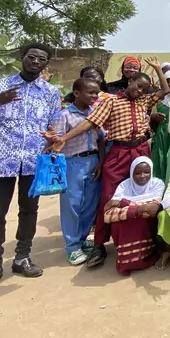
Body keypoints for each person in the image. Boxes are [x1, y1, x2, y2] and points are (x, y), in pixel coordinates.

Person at [49, 59, 169, 268]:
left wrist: (158, 69)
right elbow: (90, 122)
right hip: (119, 152)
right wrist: (64, 138)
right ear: (129, 81)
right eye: (137, 86)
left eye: (144, 88)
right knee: (108, 196)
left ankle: (147, 239)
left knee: (145, 192)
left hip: (141, 150)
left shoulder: (144, 101)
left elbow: (165, 90)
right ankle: (99, 244)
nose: (140, 91)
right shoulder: (111, 101)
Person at [0, 43, 61, 295]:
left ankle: (22, 258)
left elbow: (54, 126)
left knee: (29, 211)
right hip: (0, 161)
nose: (35, 62)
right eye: (31, 57)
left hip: (33, 161)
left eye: (41, 59)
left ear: (46, 64)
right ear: (22, 58)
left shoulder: (50, 93)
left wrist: (53, 136)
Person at [49, 78, 107, 265]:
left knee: (90, 204)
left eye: (97, 93)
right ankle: (72, 246)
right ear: (76, 93)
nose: (95, 96)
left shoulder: (95, 114)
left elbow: (101, 139)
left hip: (93, 162)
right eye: (91, 92)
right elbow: (55, 143)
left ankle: (82, 239)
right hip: (72, 162)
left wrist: (100, 161)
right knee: (71, 205)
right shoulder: (64, 116)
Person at [104, 156, 165, 275]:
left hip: (147, 222)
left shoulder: (157, 184)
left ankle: (146, 255)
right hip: (131, 219)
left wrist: (123, 203)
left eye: (147, 172)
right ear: (132, 173)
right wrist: (140, 209)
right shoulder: (124, 186)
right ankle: (126, 262)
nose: (143, 176)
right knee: (119, 222)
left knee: (142, 217)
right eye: (138, 173)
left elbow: (153, 208)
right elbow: (108, 214)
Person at [149, 70, 170, 181]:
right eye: (167, 81)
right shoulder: (159, 100)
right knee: (160, 159)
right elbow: (151, 121)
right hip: (161, 135)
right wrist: (153, 116)